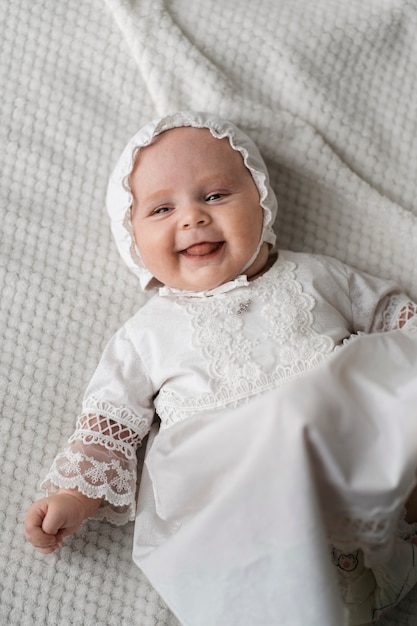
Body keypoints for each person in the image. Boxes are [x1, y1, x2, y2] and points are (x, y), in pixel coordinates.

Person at [25, 111, 417, 625]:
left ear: (261, 200)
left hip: (348, 453)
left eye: (214, 196)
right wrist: (75, 495)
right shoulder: (145, 335)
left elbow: (393, 316)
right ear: (132, 237)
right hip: (240, 490)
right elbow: (111, 425)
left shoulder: (316, 275)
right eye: (162, 208)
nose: (192, 218)